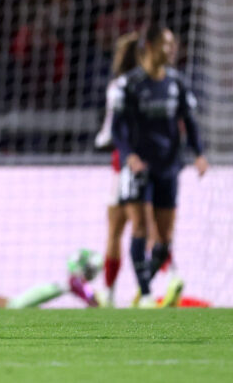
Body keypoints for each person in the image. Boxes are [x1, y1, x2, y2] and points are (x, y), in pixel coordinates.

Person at [111, 23, 208, 308]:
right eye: (167, 44)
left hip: (169, 168)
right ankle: (147, 294)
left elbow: (189, 122)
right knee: (140, 228)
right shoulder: (130, 84)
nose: (172, 49)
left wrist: (199, 153)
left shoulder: (176, 83)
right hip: (139, 169)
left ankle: (145, 288)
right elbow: (118, 128)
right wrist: (128, 155)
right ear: (151, 46)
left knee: (165, 239)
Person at [93, 31, 159, 306]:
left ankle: (143, 292)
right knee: (130, 225)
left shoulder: (119, 86)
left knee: (129, 228)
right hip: (147, 162)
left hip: (125, 166)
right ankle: (112, 292)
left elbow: (110, 132)